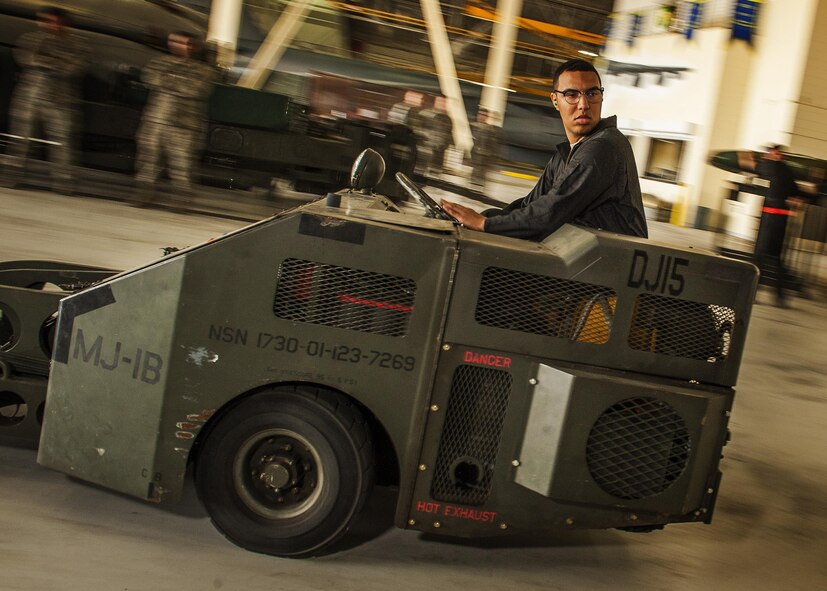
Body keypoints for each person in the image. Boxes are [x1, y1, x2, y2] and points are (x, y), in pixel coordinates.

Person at [442, 59, 648, 241]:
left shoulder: (603, 147)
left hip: (610, 267)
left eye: (591, 93)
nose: (583, 104)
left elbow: (549, 213)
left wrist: (484, 224)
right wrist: (483, 216)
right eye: (571, 94)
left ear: (601, 97)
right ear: (555, 100)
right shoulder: (567, 152)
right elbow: (531, 205)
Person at [2, 6, 88, 194]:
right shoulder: (32, 38)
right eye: (43, 20)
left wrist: (48, 61)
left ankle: (63, 181)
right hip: (29, 95)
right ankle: (12, 174)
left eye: (50, 21)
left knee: (61, 140)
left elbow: (74, 68)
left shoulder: (76, 45)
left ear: (61, 23)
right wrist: (54, 61)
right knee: (20, 137)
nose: (45, 24)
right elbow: (26, 58)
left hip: (59, 99)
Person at [134, 31, 216, 205]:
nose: (175, 45)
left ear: (192, 46)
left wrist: (167, 81)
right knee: (147, 160)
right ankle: (143, 195)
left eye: (181, 42)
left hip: (183, 125)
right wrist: (177, 82)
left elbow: (194, 89)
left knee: (181, 164)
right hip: (155, 120)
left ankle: (181, 200)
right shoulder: (159, 62)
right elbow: (150, 79)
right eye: (173, 41)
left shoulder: (203, 70)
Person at [750, 144, 800, 307]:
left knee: (759, 257)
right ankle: (779, 298)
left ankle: (752, 292)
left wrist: (761, 158)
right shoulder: (787, 170)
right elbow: (795, 190)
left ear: (774, 153)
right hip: (781, 218)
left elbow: (758, 168)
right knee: (776, 259)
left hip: (769, 217)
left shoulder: (769, 167)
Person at [417, 95, 453, 175]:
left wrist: (444, 145)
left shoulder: (447, 119)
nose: (441, 104)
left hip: (439, 151)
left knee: (435, 172)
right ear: (435, 101)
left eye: (443, 102)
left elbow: (448, 134)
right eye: (439, 101)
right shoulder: (425, 114)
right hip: (425, 149)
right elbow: (419, 129)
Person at [468, 107, 502, 189]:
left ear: (487, 117)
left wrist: (492, 161)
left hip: (484, 160)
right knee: (472, 181)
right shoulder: (473, 127)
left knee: (480, 183)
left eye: (484, 115)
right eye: (480, 114)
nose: (481, 117)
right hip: (475, 159)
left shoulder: (491, 131)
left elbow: (494, 147)